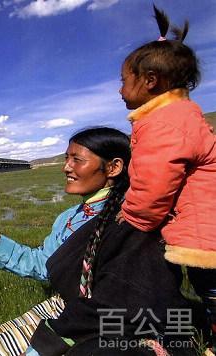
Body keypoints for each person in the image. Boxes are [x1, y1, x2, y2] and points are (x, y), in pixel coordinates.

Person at [0, 127, 194, 355]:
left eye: (77, 160)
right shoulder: (68, 218)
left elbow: (133, 291)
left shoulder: (134, 217)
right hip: (68, 308)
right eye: (66, 159)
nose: (66, 167)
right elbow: (45, 264)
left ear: (114, 167)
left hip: (109, 321)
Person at [117, 5, 216, 353]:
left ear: (149, 82)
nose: (119, 91)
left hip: (208, 238)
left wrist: (131, 217)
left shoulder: (164, 123)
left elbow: (153, 185)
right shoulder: (181, 115)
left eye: (123, 81)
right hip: (205, 232)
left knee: (212, 290)